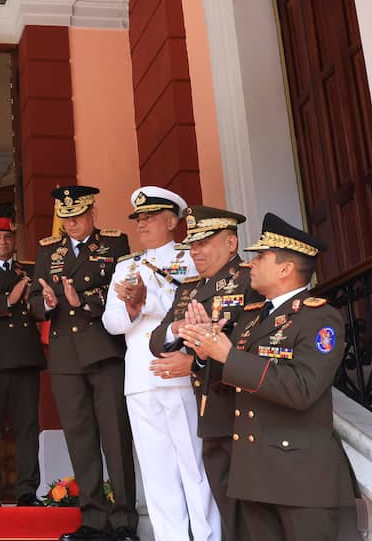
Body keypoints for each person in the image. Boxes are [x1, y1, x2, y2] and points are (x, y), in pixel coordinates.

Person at [180, 213, 355, 541]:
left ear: (286, 269)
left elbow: (302, 389)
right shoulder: (252, 318)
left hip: (300, 479)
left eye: (261, 257)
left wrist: (228, 355)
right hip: (255, 475)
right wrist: (205, 356)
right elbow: (235, 375)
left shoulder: (320, 318)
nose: (252, 263)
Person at [102, 187, 219, 541]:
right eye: (138, 218)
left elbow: (200, 305)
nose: (141, 224)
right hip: (140, 375)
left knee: (194, 465)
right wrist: (132, 307)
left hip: (181, 370)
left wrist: (149, 300)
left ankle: (207, 537)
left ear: (172, 221)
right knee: (156, 471)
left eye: (149, 217)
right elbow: (112, 323)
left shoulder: (189, 258)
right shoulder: (126, 265)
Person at [28, 185, 138, 541]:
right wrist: (46, 302)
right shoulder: (49, 250)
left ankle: (123, 521)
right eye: (66, 218)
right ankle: (93, 520)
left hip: (103, 349)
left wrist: (84, 299)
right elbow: (34, 298)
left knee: (115, 436)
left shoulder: (114, 244)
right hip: (64, 355)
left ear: (92, 213)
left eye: (77, 217)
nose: (71, 224)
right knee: (81, 438)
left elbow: (122, 288)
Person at [149, 205, 258, 541]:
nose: (194, 251)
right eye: (191, 244)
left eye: (203, 243)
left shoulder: (250, 279)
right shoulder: (189, 290)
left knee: (254, 508)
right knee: (226, 503)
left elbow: (252, 344)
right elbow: (157, 339)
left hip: (245, 409)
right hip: (210, 412)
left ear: (230, 243)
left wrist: (194, 362)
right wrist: (177, 329)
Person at [0, 217, 45, 507]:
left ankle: (27, 489)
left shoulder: (27, 269)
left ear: (14, 241)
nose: (3, 242)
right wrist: (7, 300)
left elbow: (40, 307)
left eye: (7, 237)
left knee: (27, 425)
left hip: (24, 356)